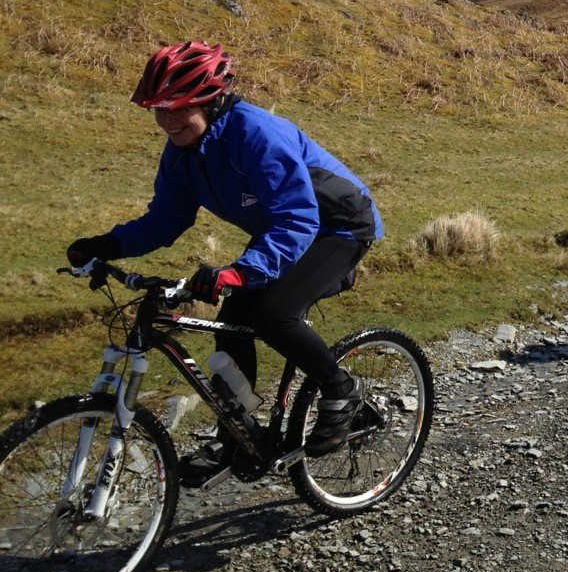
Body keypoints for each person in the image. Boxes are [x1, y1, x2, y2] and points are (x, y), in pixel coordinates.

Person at [66, 41, 383, 487]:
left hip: (337, 227)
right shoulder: (181, 150)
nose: (166, 121)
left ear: (209, 100)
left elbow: (296, 216)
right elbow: (165, 220)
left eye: (177, 109)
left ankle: (340, 389)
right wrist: (109, 244)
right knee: (231, 322)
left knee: (274, 313)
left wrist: (243, 270)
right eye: (158, 109)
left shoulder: (255, 134)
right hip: (285, 228)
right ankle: (237, 436)